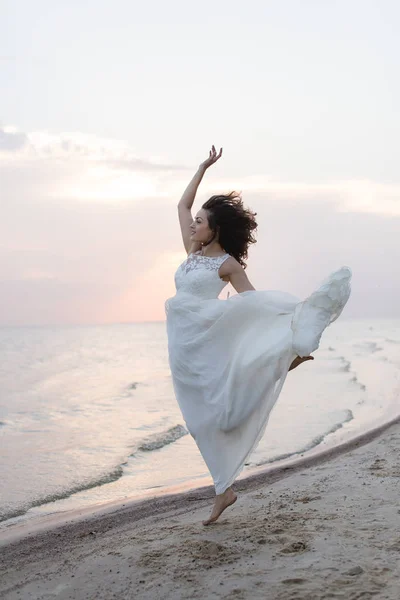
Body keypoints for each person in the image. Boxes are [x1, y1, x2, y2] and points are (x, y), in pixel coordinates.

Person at [165, 145, 351, 526]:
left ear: (215, 229)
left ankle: (223, 488)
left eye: (200, 222)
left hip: (207, 340)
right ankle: (225, 489)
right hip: (184, 349)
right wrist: (201, 168)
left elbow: (255, 304)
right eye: (195, 221)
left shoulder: (226, 264)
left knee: (215, 413)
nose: (192, 224)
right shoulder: (192, 253)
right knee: (197, 420)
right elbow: (181, 207)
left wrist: (284, 334)